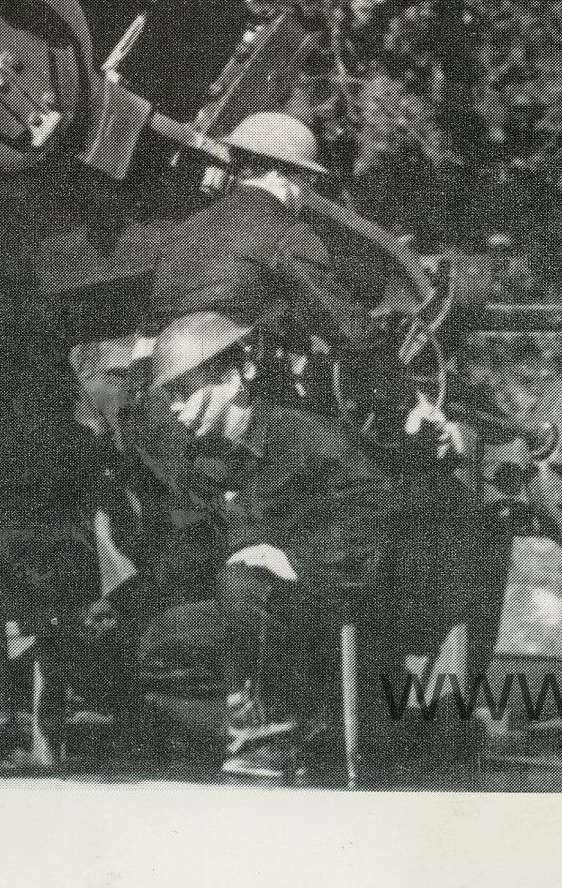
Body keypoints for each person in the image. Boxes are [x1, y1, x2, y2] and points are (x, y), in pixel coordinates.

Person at [148, 308, 398, 785]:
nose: (175, 408)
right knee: (147, 638)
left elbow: (375, 501)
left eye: (185, 391)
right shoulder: (200, 457)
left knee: (243, 584)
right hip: (248, 607)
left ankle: (272, 738)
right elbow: (195, 542)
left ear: (234, 378)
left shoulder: (302, 436)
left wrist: (296, 559)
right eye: (171, 396)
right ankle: (255, 726)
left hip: (322, 593)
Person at [150, 113, 382, 371]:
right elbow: (344, 325)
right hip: (228, 375)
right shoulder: (287, 233)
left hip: (168, 367)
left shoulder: (188, 226)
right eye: (306, 181)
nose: (305, 193)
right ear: (281, 174)